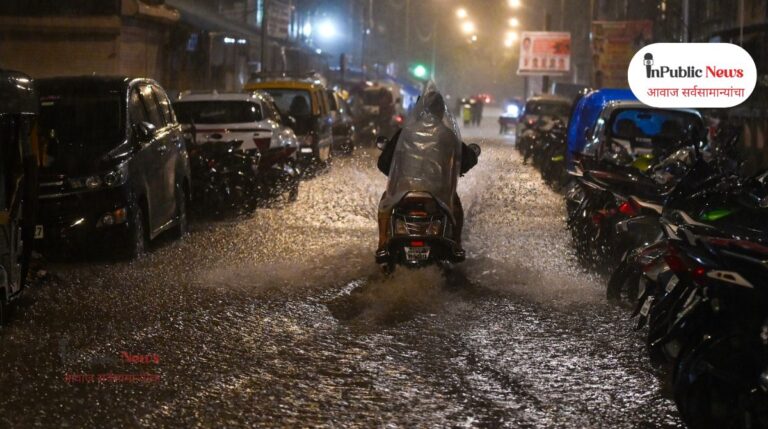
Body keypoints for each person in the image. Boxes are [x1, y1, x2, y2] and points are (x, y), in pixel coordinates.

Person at [376, 91, 478, 260]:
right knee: (456, 205)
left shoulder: (404, 134)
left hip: (403, 191)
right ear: (440, 111)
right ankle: (457, 244)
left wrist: (398, 175)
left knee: (385, 202)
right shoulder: (447, 135)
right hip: (438, 193)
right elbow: (467, 159)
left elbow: (383, 163)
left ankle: (382, 243)